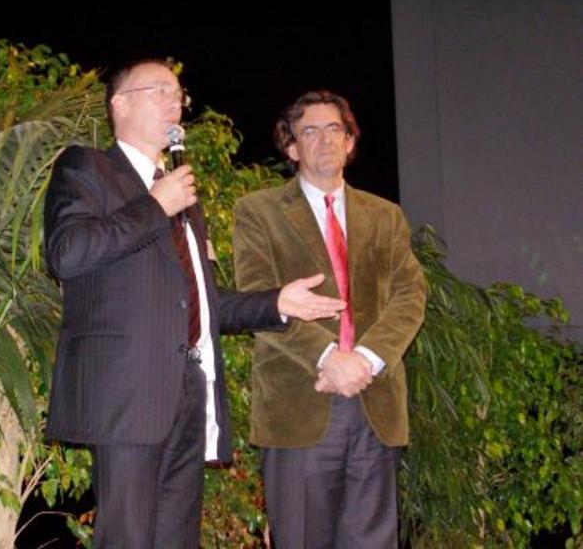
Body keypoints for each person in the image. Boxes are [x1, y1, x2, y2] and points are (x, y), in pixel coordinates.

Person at [43, 60, 345, 548]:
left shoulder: (179, 192)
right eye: (159, 90)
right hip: (127, 393)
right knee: (129, 539)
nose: (174, 101)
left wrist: (277, 303)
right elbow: (67, 254)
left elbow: (201, 302)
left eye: (178, 92)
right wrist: (154, 205)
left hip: (188, 388)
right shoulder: (87, 167)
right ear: (119, 104)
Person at [233, 90, 427, 548]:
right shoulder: (257, 212)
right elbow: (259, 299)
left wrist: (365, 358)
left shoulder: (385, 216)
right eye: (309, 132)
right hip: (299, 402)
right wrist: (327, 358)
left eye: (334, 129)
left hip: (373, 399)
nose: (324, 140)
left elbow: (409, 294)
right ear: (292, 147)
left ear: (351, 142)